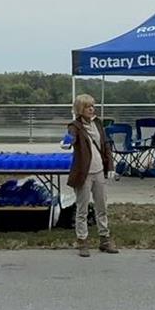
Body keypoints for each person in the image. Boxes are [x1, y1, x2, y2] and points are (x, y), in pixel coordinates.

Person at [64, 94, 119, 257]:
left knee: (102, 206)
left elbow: (105, 145)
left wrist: (110, 165)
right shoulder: (75, 126)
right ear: (80, 109)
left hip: (99, 170)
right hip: (84, 173)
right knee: (82, 209)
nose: (91, 109)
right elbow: (71, 137)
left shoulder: (98, 123)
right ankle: (82, 241)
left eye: (92, 106)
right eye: (88, 107)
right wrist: (67, 141)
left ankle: (105, 239)